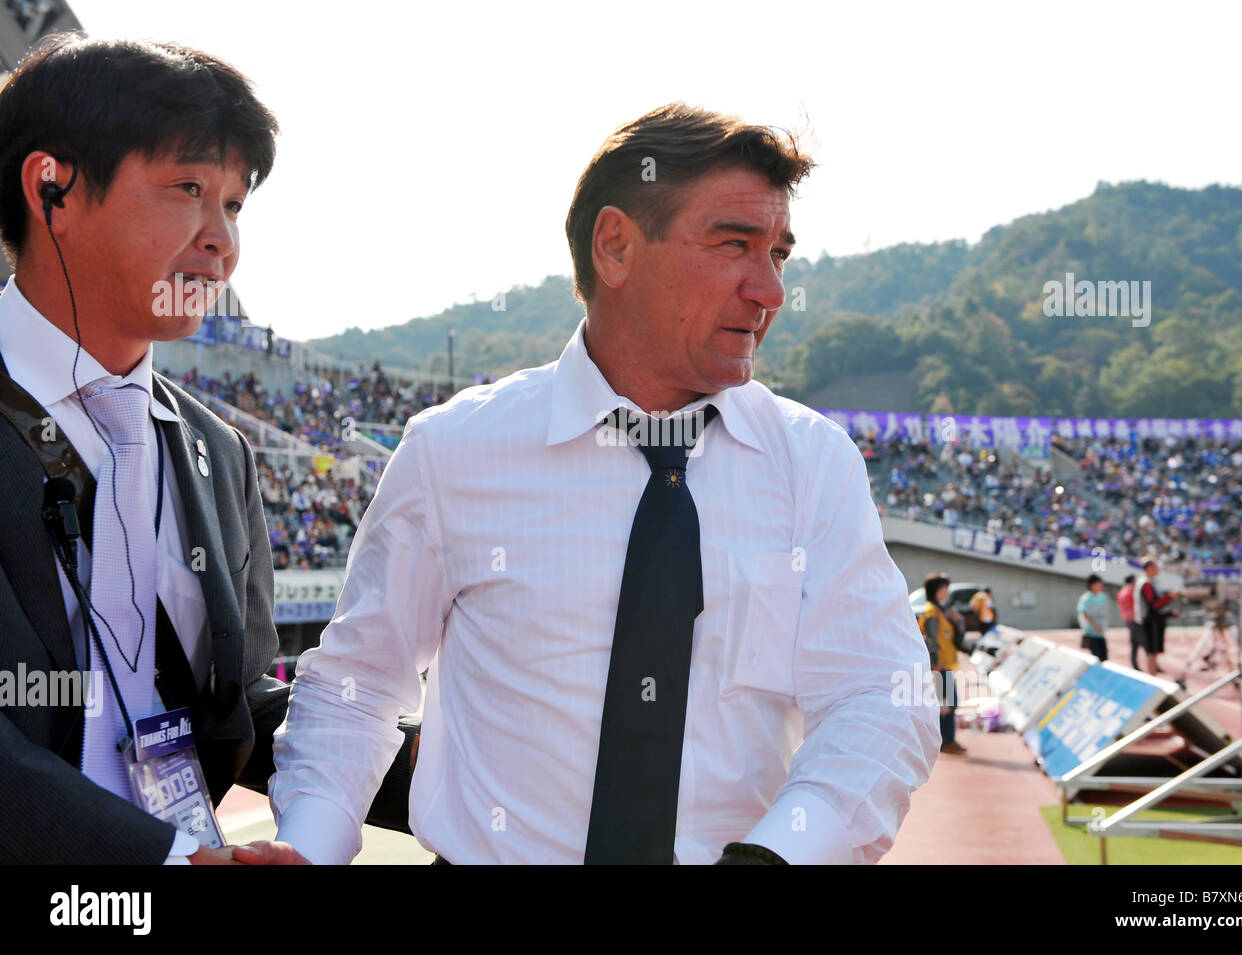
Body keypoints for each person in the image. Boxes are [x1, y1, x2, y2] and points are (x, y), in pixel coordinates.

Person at [269, 103, 939, 865]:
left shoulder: (813, 463)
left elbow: (878, 695)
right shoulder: (452, 450)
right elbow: (359, 680)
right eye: (735, 245)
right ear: (616, 246)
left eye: (779, 254)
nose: (771, 289)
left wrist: (779, 855)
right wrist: (307, 846)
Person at [0, 34, 412, 864]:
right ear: (53, 190)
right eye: (187, 188)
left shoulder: (217, 450)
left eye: (233, 204)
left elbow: (234, 704)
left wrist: (472, 772)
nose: (220, 238)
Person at [917, 573, 964, 754]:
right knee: (946, 703)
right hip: (941, 665)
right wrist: (934, 662)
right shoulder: (932, 612)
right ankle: (946, 740)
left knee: (947, 703)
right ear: (936, 591)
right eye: (944, 588)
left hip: (946, 663)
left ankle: (947, 739)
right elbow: (931, 639)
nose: (947, 592)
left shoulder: (940, 611)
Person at [1135, 558, 1180, 676]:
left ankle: (1153, 674)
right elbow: (1154, 604)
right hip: (1150, 621)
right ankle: (1152, 676)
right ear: (1149, 568)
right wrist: (1170, 597)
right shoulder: (1146, 583)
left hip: (1152, 620)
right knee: (1151, 651)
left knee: (1153, 652)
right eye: (1155, 567)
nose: (1157, 569)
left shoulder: (1150, 582)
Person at [1077, 574, 1109, 662]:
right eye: (1099, 583)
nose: (1101, 585)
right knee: (1095, 657)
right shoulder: (1086, 598)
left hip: (1101, 632)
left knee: (1104, 656)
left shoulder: (1102, 596)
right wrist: (1094, 624)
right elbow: (1084, 611)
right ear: (1092, 585)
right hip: (1091, 632)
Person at [1116, 573, 1143, 669]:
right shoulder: (1133, 591)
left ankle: (1134, 663)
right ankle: (1151, 663)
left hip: (1127, 619)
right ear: (1132, 581)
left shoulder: (1121, 592)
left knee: (1134, 642)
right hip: (1136, 619)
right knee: (1144, 642)